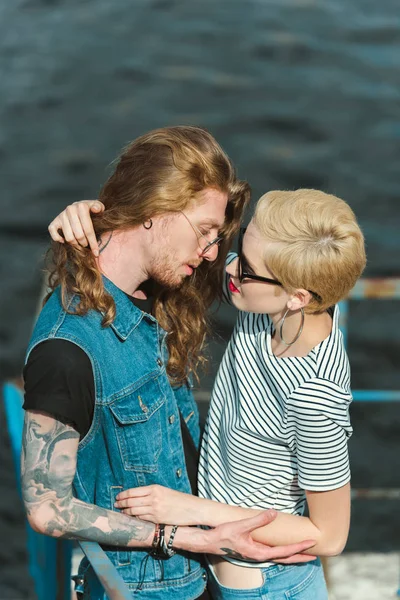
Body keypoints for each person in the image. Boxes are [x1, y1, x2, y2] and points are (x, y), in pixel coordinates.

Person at [22, 126, 314, 600]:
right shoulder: (67, 351)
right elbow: (46, 508)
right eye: (204, 231)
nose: (213, 252)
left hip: (204, 573)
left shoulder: (157, 290)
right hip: (149, 589)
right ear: (155, 209)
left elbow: (293, 286)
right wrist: (188, 537)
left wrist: (90, 216)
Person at [55, 188, 366, 599]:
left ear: (298, 297)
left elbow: (329, 536)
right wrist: (91, 220)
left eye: (247, 270)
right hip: (222, 569)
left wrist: (189, 510)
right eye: (238, 249)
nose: (228, 267)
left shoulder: (314, 395)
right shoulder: (273, 309)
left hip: (266, 587)